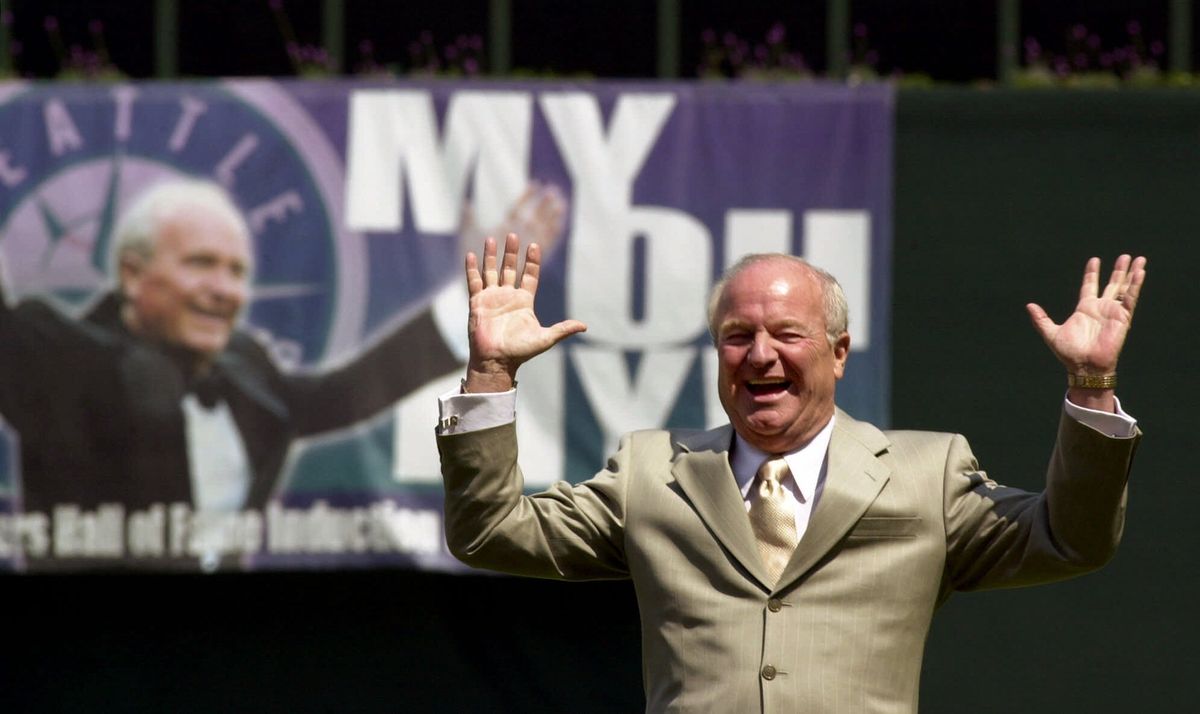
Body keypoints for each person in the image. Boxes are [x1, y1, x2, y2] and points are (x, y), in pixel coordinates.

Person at [435, 233, 1145, 713]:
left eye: (787, 335)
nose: (760, 355)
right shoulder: (652, 473)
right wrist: (491, 373)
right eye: (737, 337)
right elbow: (492, 532)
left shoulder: (927, 473)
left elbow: (1070, 537)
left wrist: (1091, 383)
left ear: (838, 353)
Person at [0, 177, 564, 568]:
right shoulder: (56, 351)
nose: (224, 289)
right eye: (201, 264)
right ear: (132, 274)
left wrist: (468, 307)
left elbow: (341, 396)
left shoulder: (247, 367)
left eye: (237, 271)